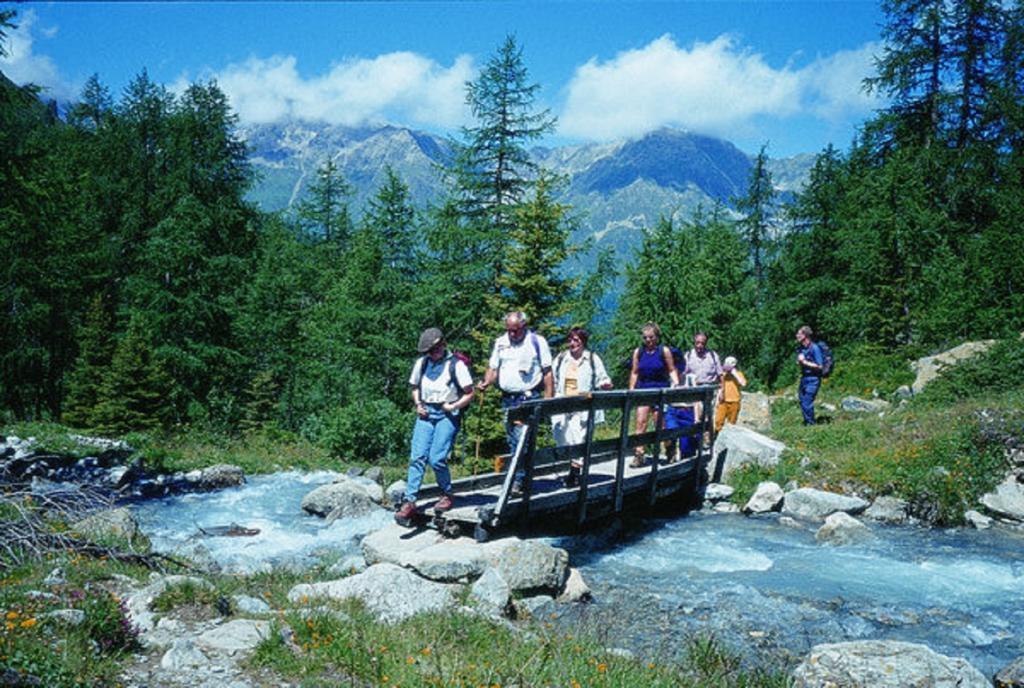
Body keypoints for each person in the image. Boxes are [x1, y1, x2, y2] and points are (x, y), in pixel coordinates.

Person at [395, 327, 474, 527]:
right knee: (417, 456)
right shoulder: (421, 364)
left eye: (433, 350)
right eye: (428, 351)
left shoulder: (456, 365)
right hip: (426, 412)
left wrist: (454, 406)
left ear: (442, 345)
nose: (431, 354)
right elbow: (415, 387)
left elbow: (469, 392)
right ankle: (410, 501)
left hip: (447, 413)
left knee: (437, 458)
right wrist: (418, 404)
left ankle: (447, 493)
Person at [477, 311, 553, 495]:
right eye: (509, 330)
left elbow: (547, 372)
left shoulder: (536, 342)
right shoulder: (501, 343)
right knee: (512, 439)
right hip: (508, 398)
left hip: (528, 397)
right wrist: (487, 381)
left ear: (524, 326)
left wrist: (549, 399)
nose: (512, 334)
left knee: (521, 440)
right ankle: (521, 479)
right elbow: (493, 368)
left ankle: (518, 481)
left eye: (516, 331)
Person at [551, 327, 613, 486]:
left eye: (576, 340)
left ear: (583, 342)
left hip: (583, 404)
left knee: (579, 438)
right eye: (570, 340)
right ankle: (573, 467)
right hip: (562, 403)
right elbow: (553, 379)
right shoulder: (561, 358)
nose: (572, 344)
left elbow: (602, 377)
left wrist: (605, 384)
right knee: (561, 437)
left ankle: (574, 473)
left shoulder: (592, 358)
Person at [627, 322, 681, 467]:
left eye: (651, 337)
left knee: (661, 424)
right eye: (645, 338)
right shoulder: (639, 352)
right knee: (640, 422)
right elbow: (634, 372)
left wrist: (675, 385)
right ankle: (639, 454)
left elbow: (671, 369)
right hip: (643, 391)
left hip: (660, 392)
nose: (648, 340)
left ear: (656, 337)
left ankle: (670, 449)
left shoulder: (664, 351)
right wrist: (631, 390)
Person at [795, 325, 824, 425]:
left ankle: (811, 424)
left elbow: (820, 366)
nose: (797, 335)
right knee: (802, 401)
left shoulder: (815, 348)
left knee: (807, 402)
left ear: (805, 335)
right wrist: (800, 361)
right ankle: (808, 422)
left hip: (813, 379)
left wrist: (804, 362)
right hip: (804, 378)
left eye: (799, 333)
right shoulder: (801, 348)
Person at [714, 355, 747, 433]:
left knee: (731, 424)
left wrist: (734, 373)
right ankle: (716, 438)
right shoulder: (723, 375)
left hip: (734, 401)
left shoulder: (738, 374)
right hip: (723, 401)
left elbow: (743, 383)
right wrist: (717, 400)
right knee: (718, 421)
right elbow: (719, 386)